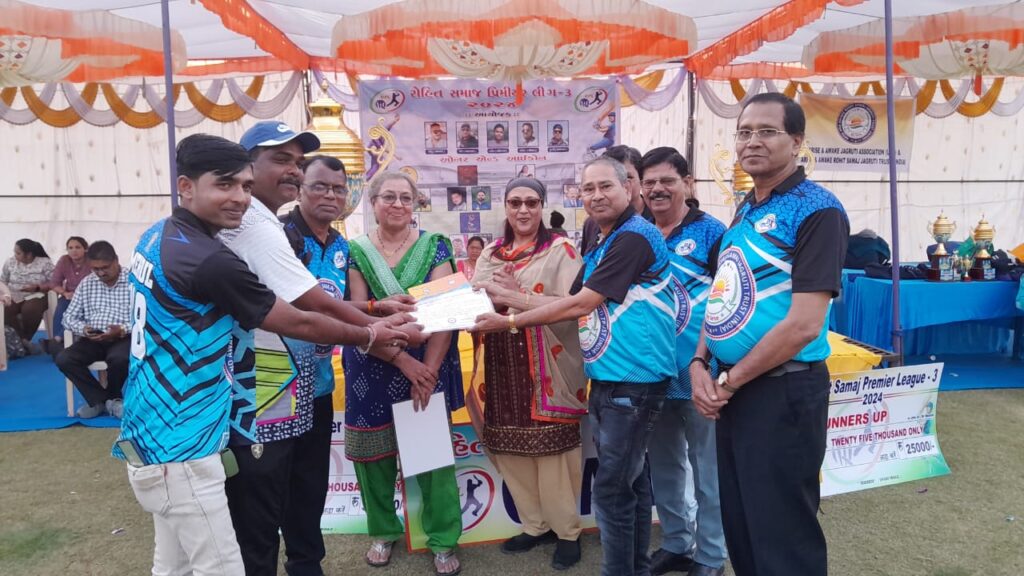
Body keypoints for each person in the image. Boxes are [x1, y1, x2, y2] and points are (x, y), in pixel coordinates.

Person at [113, 134, 408, 576]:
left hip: (161, 431)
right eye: (225, 185)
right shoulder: (215, 255)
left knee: (174, 567)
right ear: (186, 187)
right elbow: (299, 318)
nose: (239, 198)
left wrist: (370, 315)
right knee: (226, 562)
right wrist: (369, 334)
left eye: (245, 186)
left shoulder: (160, 234)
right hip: (192, 437)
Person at [221, 122, 418, 576]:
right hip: (268, 386)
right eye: (318, 186)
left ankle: (307, 566)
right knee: (263, 496)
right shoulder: (275, 231)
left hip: (317, 383)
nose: (330, 195)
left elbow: (332, 302)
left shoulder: (340, 244)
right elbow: (306, 307)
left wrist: (375, 309)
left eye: (339, 188)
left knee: (309, 488)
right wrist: (375, 328)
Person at [474, 157, 677, 576]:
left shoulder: (625, 238)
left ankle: (586, 545)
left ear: (628, 188)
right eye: (588, 189)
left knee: (613, 491)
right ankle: (618, 561)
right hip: (599, 373)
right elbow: (572, 300)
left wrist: (510, 309)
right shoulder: (602, 239)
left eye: (606, 187)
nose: (597, 196)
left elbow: (578, 305)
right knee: (630, 485)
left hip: (615, 375)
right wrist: (511, 301)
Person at [691, 93, 850, 576]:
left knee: (782, 534)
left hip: (782, 390)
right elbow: (722, 293)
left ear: (797, 141)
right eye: (744, 132)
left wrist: (728, 381)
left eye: (767, 131)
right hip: (734, 388)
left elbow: (804, 325)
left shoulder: (818, 210)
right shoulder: (746, 207)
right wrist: (699, 363)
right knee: (742, 524)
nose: (752, 142)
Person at [344, 170, 465, 576]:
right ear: (373, 203)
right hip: (372, 362)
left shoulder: (435, 246)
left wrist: (428, 370)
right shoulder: (357, 250)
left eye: (406, 198)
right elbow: (358, 315)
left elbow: (445, 314)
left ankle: (443, 539)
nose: (398, 204)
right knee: (372, 458)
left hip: (428, 360)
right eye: (389, 197)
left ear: (415, 205)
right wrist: (402, 361)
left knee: (431, 458)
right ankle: (383, 531)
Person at [472, 177, 587, 570]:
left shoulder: (560, 250)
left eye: (532, 202)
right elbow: (475, 299)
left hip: (548, 362)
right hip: (502, 362)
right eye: (515, 202)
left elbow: (573, 305)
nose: (523, 210)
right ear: (505, 206)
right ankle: (535, 524)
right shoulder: (492, 252)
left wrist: (513, 295)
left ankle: (567, 531)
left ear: (542, 206)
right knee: (510, 447)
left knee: (553, 450)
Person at [640, 147, 728, 576]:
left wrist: (707, 363)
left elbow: (729, 301)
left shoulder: (713, 233)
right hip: (651, 374)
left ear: (688, 183)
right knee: (665, 466)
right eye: (649, 182)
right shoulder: (638, 234)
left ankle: (711, 555)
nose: (657, 189)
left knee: (708, 470)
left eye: (667, 181)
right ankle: (677, 543)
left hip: (700, 374)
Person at [55, 241, 132, 419]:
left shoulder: (133, 281)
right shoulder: (88, 283)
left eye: (105, 268)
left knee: (120, 359)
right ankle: (103, 401)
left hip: (123, 336)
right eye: (95, 269)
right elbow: (68, 317)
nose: (101, 273)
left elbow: (145, 318)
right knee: (64, 359)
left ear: (116, 261)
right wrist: (84, 329)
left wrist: (121, 329)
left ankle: (112, 397)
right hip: (93, 337)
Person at [581, 145, 646, 255]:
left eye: (627, 177)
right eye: (589, 189)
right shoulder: (592, 223)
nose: (598, 196)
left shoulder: (655, 220)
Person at [1, 239, 54, 350]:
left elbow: (54, 282)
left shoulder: (45, 263)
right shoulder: (10, 262)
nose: (15, 255)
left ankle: (25, 339)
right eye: (14, 252)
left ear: (29, 254)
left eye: (18, 253)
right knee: (5, 308)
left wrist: (38, 287)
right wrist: (4, 294)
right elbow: (3, 280)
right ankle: (22, 341)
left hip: (37, 294)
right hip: (14, 293)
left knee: (30, 309)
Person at [45, 236, 90, 348]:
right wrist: (65, 293)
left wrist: (80, 296)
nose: (74, 251)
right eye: (70, 248)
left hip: (89, 297)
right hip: (69, 295)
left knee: (76, 313)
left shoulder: (92, 261)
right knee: (61, 308)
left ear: (85, 249)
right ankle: (57, 342)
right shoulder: (64, 260)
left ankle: (57, 340)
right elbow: (54, 283)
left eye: (77, 247)